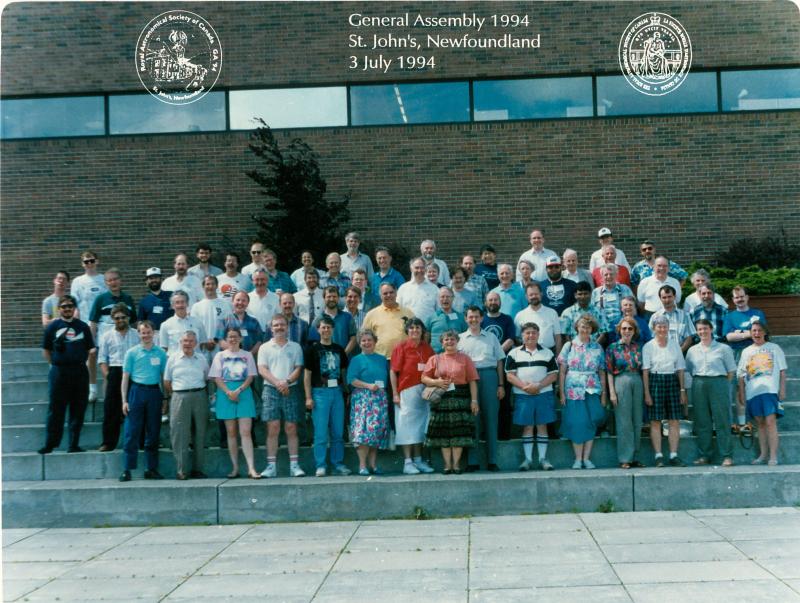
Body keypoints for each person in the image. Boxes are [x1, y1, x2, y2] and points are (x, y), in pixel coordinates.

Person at [39, 294, 95, 454]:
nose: (67, 309)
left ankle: (73, 444)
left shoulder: (83, 327)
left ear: (74, 308)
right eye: (64, 306)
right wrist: (54, 364)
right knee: (56, 408)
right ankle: (50, 444)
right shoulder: (52, 326)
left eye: (70, 306)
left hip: (79, 372)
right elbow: (46, 350)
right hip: (59, 372)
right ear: (59, 309)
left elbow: (90, 348)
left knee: (78, 409)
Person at [421, 329, 480, 474]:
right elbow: (424, 378)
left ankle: (456, 465)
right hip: (442, 399)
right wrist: (436, 382)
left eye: (452, 339)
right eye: (446, 339)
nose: (449, 342)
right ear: (442, 343)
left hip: (461, 397)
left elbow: (472, 380)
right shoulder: (435, 359)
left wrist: (474, 401)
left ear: (457, 341)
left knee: (458, 434)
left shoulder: (465, 358)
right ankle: (447, 465)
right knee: (444, 434)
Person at [257, 314, 306, 478]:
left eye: (282, 325)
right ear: (271, 328)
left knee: (291, 428)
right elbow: (262, 369)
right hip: (271, 390)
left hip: (290, 389)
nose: (279, 328)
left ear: (287, 327)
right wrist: (278, 383)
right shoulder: (264, 347)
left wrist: (286, 381)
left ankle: (294, 465)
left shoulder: (295, 347)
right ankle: (271, 466)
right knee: (273, 428)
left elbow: (299, 368)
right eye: (276, 325)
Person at [118, 320, 167, 481]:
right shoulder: (131, 353)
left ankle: (150, 468)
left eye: (148, 332)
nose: (145, 335)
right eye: (142, 332)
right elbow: (125, 378)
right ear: (138, 334)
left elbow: (162, 377)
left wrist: (165, 397)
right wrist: (124, 400)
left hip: (154, 393)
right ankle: (127, 469)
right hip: (136, 392)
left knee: (153, 432)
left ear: (153, 333)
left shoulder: (160, 353)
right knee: (132, 432)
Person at [505, 322, 558, 471]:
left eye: (534, 333)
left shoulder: (547, 352)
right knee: (528, 427)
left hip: (543, 393)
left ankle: (543, 459)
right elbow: (510, 376)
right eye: (527, 333)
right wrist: (525, 387)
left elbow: (554, 375)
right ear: (522, 335)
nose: (530, 336)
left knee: (542, 425)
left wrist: (538, 386)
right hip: (523, 395)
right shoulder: (514, 353)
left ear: (538, 335)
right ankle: (527, 460)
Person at [210, 327, 261, 479]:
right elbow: (216, 377)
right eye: (230, 337)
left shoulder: (247, 355)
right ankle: (235, 468)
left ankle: (251, 468)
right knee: (231, 433)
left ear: (240, 338)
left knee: (245, 432)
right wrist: (228, 392)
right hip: (225, 393)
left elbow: (251, 376)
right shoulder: (220, 356)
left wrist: (238, 391)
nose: (232, 339)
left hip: (243, 393)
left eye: (235, 336)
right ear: (225, 339)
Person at [460, 306, 506, 472]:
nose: (473, 320)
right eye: (470, 317)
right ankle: (473, 461)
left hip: (489, 377)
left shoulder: (491, 337)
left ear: (481, 318)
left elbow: (500, 360)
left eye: (476, 317)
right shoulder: (460, 339)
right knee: (472, 420)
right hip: (468, 379)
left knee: (491, 419)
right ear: (466, 319)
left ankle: (492, 460)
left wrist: (500, 384)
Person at [558, 315, 607, 469]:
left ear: (592, 329)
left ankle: (587, 458)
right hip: (573, 389)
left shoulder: (597, 347)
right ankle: (578, 459)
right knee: (578, 422)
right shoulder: (568, 346)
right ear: (577, 327)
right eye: (582, 326)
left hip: (592, 388)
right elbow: (562, 371)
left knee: (592, 421)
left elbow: (602, 371)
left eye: (588, 327)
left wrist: (604, 393)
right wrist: (561, 392)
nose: (585, 329)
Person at [304, 315, 351, 477]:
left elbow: (343, 373)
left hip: (337, 392)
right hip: (320, 393)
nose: (326, 330)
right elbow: (307, 375)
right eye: (323, 327)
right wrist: (308, 397)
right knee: (321, 432)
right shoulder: (312, 350)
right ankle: (321, 464)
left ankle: (338, 463)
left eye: (328, 327)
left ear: (333, 329)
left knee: (338, 432)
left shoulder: (339, 349)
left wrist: (346, 392)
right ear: (318, 330)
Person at [686, 318, 736, 467]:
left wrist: (721, 384)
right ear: (697, 331)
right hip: (699, 383)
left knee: (722, 419)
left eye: (705, 328)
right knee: (702, 421)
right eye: (700, 329)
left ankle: (726, 455)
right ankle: (704, 455)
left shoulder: (723, 348)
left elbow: (731, 371)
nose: (703, 332)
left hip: (718, 382)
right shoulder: (692, 350)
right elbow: (689, 368)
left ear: (711, 329)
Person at [390, 318, 436, 474]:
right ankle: (407, 463)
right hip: (406, 391)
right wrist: (395, 393)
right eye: (411, 328)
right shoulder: (401, 348)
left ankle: (418, 460)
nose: (415, 330)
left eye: (418, 328)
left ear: (422, 330)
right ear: (407, 331)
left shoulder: (427, 348)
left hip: (424, 392)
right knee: (406, 426)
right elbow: (393, 371)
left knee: (420, 427)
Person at [737, 321, 786, 466]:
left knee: (770, 422)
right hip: (753, 392)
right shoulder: (746, 351)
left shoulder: (774, 348)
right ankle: (763, 455)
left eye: (759, 330)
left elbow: (783, 371)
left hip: (770, 390)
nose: (756, 333)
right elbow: (741, 375)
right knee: (760, 424)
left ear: (765, 332)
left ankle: (773, 456)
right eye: (753, 331)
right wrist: (742, 393)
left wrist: (782, 389)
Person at [642, 315, 688, 467]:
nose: (662, 329)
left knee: (674, 420)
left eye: (664, 326)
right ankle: (658, 455)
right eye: (659, 326)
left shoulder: (675, 345)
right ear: (654, 328)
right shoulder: (648, 346)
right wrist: (647, 392)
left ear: (668, 328)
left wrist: (682, 390)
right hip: (655, 381)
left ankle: (674, 455)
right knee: (655, 420)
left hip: (672, 381)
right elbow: (645, 371)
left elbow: (680, 368)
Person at [164, 330, 210, 480]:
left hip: (199, 395)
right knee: (180, 434)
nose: (188, 344)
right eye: (185, 341)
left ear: (196, 343)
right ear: (180, 342)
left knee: (200, 433)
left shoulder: (202, 358)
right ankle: (182, 470)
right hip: (179, 396)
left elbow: (207, 377)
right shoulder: (173, 359)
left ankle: (198, 469)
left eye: (191, 341)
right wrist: (176, 395)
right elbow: (166, 381)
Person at [724, 285, 767, 433]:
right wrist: (749, 333)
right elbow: (729, 337)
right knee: (739, 387)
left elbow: (761, 333)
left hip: (756, 353)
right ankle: (742, 424)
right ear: (733, 300)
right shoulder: (729, 316)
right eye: (736, 297)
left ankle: (758, 421)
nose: (739, 299)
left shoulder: (758, 313)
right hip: (736, 354)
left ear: (747, 297)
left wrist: (740, 332)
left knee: (756, 387)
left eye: (742, 296)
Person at [347, 329, 390, 475]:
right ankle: (362, 466)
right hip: (363, 399)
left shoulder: (382, 359)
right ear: (359, 343)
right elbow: (351, 380)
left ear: (375, 341)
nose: (367, 343)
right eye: (363, 340)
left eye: (369, 340)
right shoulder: (356, 360)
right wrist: (368, 385)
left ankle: (373, 465)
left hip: (380, 399)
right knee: (363, 433)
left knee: (376, 432)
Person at [97, 303, 139, 452]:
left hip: (134, 373)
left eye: (123, 317)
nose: (120, 320)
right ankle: (108, 442)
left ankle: (139, 441)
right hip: (114, 372)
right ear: (112, 319)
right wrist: (108, 376)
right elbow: (102, 359)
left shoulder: (136, 334)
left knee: (136, 408)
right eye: (117, 318)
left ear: (128, 318)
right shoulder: (107, 336)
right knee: (111, 409)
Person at [605, 318, 645, 468]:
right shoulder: (612, 348)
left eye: (630, 329)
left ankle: (635, 456)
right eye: (624, 328)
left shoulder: (638, 347)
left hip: (637, 380)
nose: (627, 331)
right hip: (620, 381)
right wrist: (612, 393)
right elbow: (609, 371)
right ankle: (625, 458)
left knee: (637, 420)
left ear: (634, 331)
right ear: (619, 330)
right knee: (624, 421)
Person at [71, 253, 106, 404]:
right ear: (82, 264)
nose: (89, 263)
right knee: (90, 355)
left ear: (97, 261)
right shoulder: (78, 281)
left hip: (104, 323)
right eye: (86, 261)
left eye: (92, 261)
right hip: (85, 324)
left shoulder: (103, 279)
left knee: (105, 356)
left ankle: (109, 389)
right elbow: (75, 305)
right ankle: (92, 389)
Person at [89, 268, 136, 358]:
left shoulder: (128, 299)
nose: (113, 282)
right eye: (109, 280)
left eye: (115, 279)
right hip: (106, 344)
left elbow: (133, 322)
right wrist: (92, 344)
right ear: (106, 283)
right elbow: (93, 323)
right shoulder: (100, 299)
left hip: (126, 343)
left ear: (120, 280)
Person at [514, 283, 564, 355]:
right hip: (527, 354)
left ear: (541, 294)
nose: (534, 296)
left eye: (536, 294)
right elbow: (517, 338)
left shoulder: (552, 313)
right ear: (526, 297)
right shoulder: (520, 315)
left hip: (549, 353)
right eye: (531, 295)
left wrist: (558, 357)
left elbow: (558, 338)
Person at [158, 291, 209, 357]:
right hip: (175, 364)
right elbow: (164, 349)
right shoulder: (165, 325)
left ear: (187, 304)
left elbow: (203, 345)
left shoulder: (198, 323)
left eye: (183, 302)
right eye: (177, 302)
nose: (180, 305)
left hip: (195, 363)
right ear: (172, 306)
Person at [309, 286, 357, 355]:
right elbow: (314, 342)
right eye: (329, 297)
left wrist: (343, 355)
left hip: (345, 360)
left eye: (334, 296)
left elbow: (353, 338)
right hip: (325, 360)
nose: (332, 299)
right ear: (324, 298)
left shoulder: (348, 317)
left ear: (338, 298)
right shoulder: (317, 320)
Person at [648, 285, 695, 352]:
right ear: (660, 298)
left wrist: (679, 352)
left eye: (669, 297)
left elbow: (689, 338)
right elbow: (651, 337)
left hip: (681, 354)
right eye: (664, 297)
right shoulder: (655, 317)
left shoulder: (685, 315)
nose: (667, 300)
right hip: (661, 354)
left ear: (674, 297)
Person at [561, 281, 610, 345]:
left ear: (590, 294)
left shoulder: (599, 311)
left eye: (585, 293)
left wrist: (592, 347)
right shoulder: (567, 313)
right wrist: (575, 348)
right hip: (574, 351)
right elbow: (565, 335)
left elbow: (603, 334)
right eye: (580, 294)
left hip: (595, 349)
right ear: (575, 295)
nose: (583, 296)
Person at [425, 288, 468, 353]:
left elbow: (465, 336)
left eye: (448, 296)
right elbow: (426, 338)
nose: (445, 299)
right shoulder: (431, 317)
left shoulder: (461, 317)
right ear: (439, 299)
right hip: (436, 356)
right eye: (442, 297)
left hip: (456, 356)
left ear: (453, 298)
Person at [397, 257, 439, 323]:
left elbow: (439, 311)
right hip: (409, 330)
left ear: (425, 269)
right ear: (411, 269)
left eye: (422, 268)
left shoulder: (434, 289)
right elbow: (398, 310)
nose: (419, 270)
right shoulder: (403, 288)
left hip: (428, 330)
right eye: (416, 268)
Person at [137, 267, 173, 334]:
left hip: (170, 333)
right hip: (152, 335)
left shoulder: (171, 296)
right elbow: (140, 322)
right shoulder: (144, 301)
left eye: (156, 277)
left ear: (161, 279)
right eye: (151, 278)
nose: (154, 280)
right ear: (147, 281)